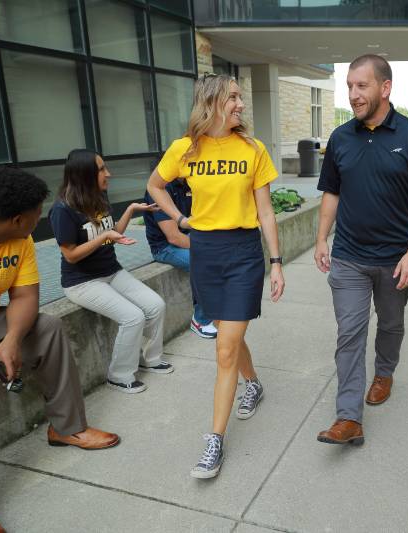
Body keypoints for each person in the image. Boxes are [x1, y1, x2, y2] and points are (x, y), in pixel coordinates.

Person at [0, 168, 119, 533]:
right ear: (19, 218)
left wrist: (10, 340)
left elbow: (24, 296)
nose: (44, 216)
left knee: (48, 328)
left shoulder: (18, 239)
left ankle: (67, 427)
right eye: (39, 212)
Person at [147, 72, 285, 479]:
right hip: (205, 251)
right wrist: (179, 217)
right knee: (229, 332)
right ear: (211, 102)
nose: (241, 104)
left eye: (241, 96)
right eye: (234, 97)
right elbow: (154, 186)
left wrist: (276, 262)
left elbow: (264, 211)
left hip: (243, 253)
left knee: (224, 348)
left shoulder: (253, 149)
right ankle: (254, 382)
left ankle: (214, 440)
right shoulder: (185, 148)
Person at [314, 55, 408, 445]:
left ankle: (384, 372)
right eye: (349, 86)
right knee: (349, 333)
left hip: (393, 260)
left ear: (384, 88)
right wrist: (321, 238)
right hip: (349, 256)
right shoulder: (340, 138)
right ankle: (349, 417)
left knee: (390, 324)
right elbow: (332, 192)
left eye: (361, 86)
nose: (353, 94)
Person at [49, 149, 172, 395]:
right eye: (102, 169)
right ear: (85, 174)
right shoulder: (62, 210)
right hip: (82, 282)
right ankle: (119, 375)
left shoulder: (98, 196)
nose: (109, 174)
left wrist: (131, 210)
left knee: (156, 305)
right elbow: (71, 254)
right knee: (133, 317)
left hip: (111, 272)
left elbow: (112, 232)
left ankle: (151, 357)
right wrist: (105, 236)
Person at [142, 178, 217, 339]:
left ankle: (216, 306)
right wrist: (207, 248)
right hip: (164, 247)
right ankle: (201, 320)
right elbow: (174, 237)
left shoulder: (189, 183)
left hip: (189, 237)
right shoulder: (158, 189)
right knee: (204, 263)